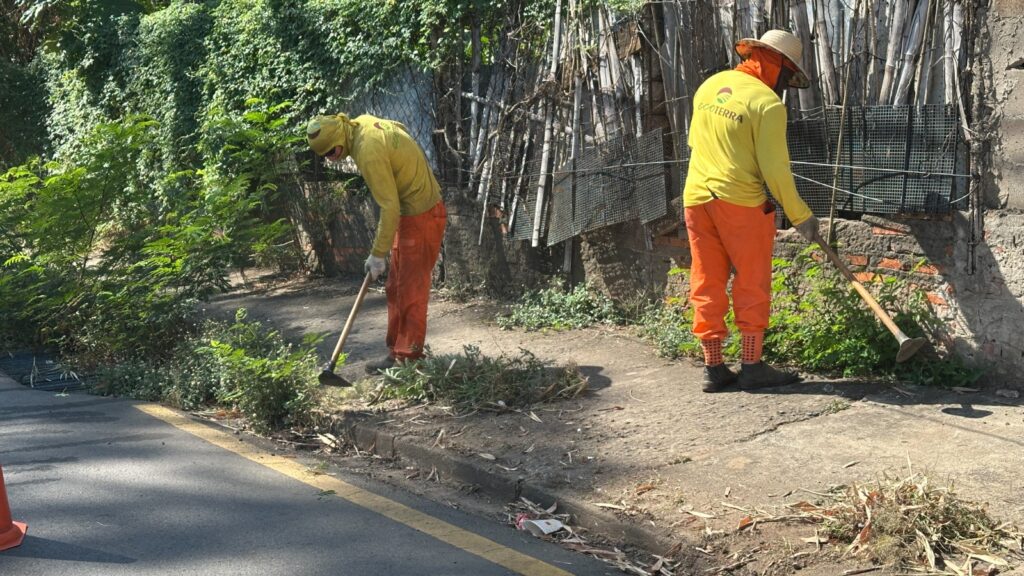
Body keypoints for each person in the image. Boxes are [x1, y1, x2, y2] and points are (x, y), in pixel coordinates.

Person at [682, 29, 820, 392]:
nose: (786, 85)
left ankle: (714, 368)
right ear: (777, 65)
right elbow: (776, 170)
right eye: (788, 77)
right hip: (741, 204)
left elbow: (694, 141)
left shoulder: (710, 86)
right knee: (752, 282)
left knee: (706, 279)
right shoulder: (768, 105)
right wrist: (802, 216)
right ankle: (753, 366)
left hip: (696, 197)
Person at [306, 113, 446, 372]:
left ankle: (409, 360)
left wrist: (377, 254)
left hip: (422, 212)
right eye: (324, 155)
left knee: (411, 289)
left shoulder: (367, 148)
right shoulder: (361, 123)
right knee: (395, 286)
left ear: (339, 138)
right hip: (409, 211)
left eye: (329, 152)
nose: (329, 159)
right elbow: (401, 129)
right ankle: (396, 353)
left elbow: (388, 205)